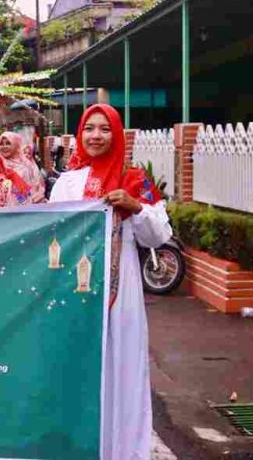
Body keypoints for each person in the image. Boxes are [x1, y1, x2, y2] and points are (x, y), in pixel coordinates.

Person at [49, 103, 171, 460]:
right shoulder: (67, 182)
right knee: (76, 369)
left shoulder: (134, 179)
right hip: (73, 292)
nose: (96, 136)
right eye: (89, 128)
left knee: (124, 370)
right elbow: (52, 232)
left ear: (116, 134)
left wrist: (136, 206)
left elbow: (159, 235)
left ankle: (124, 452)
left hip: (123, 294)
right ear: (80, 135)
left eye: (104, 129)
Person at [0, 132, 46, 202]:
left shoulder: (27, 165)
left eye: (8, 143)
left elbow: (36, 187)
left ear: (16, 145)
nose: (4, 146)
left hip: (25, 207)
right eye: (1, 144)